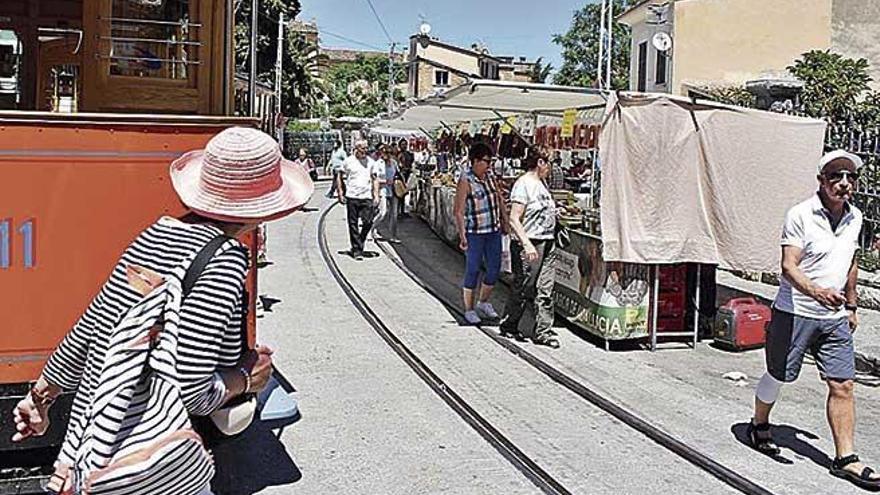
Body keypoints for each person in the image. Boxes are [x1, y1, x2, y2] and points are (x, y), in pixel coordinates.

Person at [11, 127, 313, 495]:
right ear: (265, 206)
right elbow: (191, 391)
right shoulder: (224, 261)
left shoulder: (155, 235)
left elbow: (89, 329)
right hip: (149, 467)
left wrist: (40, 397)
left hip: (88, 452)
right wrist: (249, 378)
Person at [748, 150, 880, 490]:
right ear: (822, 180)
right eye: (836, 176)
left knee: (843, 384)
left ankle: (846, 458)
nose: (844, 183)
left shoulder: (856, 217)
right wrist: (816, 292)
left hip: (834, 317)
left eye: (850, 177)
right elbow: (788, 265)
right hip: (796, 312)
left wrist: (851, 305)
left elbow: (850, 262)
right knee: (779, 374)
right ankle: (759, 423)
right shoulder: (800, 215)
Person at [501, 149, 560, 348]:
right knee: (524, 286)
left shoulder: (542, 184)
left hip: (547, 241)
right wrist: (526, 244)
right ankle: (509, 324)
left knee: (545, 289)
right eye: (549, 163)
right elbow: (514, 218)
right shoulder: (523, 184)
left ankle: (543, 331)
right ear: (540, 162)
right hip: (530, 243)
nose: (551, 168)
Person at [453, 141, 509, 325]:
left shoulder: (490, 176)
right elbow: (459, 211)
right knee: (473, 269)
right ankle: (468, 309)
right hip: (474, 233)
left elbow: (499, 198)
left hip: (492, 231)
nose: (489, 165)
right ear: (475, 161)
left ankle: (483, 302)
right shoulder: (465, 180)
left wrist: (505, 221)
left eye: (490, 161)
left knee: (494, 269)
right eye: (486, 161)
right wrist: (462, 235)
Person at [338, 139, 380, 260]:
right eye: (363, 148)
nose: (365, 151)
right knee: (353, 224)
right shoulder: (348, 161)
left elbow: (375, 179)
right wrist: (341, 192)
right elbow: (339, 175)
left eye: (367, 148)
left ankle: (359, 241)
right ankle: (357, 249)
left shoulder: (371, 162)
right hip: (352, 196)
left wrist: (376, 194)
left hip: (366, 196)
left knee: (368, 222)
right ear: (356, 148)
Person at [397, 139, 414, 217]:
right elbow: (398, 165)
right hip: (401, 175)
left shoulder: (409, 154)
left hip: (407, 175)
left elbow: (411, 163)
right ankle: (398, 211)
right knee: (400, 193)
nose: (404, 146)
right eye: (403, 144)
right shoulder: (398, 154)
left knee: (405, 193)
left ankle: (403, 210)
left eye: (405, 144)